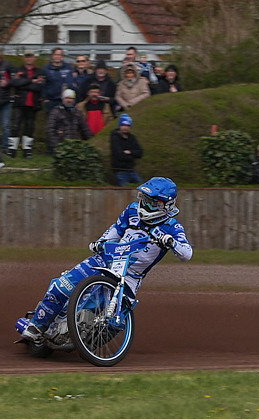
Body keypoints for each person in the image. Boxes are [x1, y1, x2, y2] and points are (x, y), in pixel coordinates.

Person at [17, 177, 193, 345]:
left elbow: (187, 254)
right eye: (144, 199)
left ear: (167, 206)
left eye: (153, 203)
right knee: (62, 286)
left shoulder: (172, 227)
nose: (146, 205)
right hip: (105, 259)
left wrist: (171, 241)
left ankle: (84, 344)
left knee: (115, 322)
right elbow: (116, 230)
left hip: (130, 277)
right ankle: (37, 326)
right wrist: (101, 242)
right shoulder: (132, 210)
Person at [6, 49, 45, 159]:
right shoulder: (18, 70)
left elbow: (40, 87)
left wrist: (23, 84)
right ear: (24, 58)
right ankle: (12, 150)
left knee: (30, 126)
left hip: (33, 102)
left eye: (31, 56)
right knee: (15, 125)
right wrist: (31, 81)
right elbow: (13, 83)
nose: (29, 58)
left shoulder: (40, 72)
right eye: (27, 56)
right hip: (19, 102)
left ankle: (27, 150)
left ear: (34, 58)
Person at [46, 89, 93, 154]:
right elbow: (50, 129)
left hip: (74, 144)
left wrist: (91, 141)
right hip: (60, 144)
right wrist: (55, 144)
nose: (69, 100)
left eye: (71, 98)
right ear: (63, 99)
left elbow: (85, 128)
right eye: (67, 98)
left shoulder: (77, 112)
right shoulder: (55, 112)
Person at [110, 114, 143, 186]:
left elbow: (140, 152)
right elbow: (119, 155)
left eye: (128, 126)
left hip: (131, 170)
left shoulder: (132, 138)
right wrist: (132, 155)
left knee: (142, 189)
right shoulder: (115, 138)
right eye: (123, 125)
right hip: (120, 171)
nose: (125, 127)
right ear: (120, 125)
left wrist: (130, 152)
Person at [42, 47, 74, 119]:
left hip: (64, 100)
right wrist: (45, 98)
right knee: (51, 123)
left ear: (62, 56)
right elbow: (43, 84)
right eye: (56, 54)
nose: (58, 56)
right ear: (52, 56)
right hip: (51, 101)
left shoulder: (68, 68)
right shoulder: (46, 68)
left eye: (60, 55)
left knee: (65, 122)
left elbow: (71, 83)